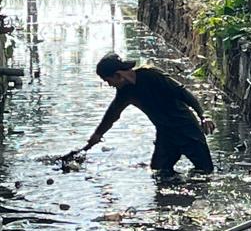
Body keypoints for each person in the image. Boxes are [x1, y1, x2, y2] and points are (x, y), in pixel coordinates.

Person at [80, 53, 215, 175]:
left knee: (205, 171)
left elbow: (182, 92)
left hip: (188, 130)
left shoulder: (151, 75)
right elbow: (111, 116)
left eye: (108, 80)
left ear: (118, 75)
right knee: (159, 173)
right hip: (165, 134)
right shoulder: (125, 93)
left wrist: (203, 115)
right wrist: (94, 139)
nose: (110, 85)